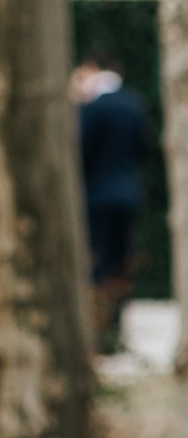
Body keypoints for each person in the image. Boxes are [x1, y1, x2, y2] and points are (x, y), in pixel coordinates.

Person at [75, 56, 154, 353]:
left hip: (97, 198)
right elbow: (142, 150)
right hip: (129, 195)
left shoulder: (92, 108)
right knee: (121, 264)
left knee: (98, 263)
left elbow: (82, 152)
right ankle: (116, 327)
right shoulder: (135, 103)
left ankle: (100, 333)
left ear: (91, 68)